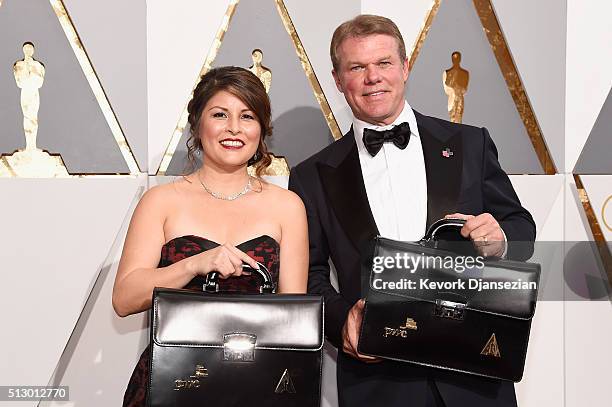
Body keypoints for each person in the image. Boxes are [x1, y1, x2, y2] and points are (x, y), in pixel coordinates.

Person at [288, 15, 535, 407]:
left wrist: (500, 239)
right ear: (338, 80)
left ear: (404, 67)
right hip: (376, 380)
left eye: (384, 63)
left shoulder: (470, 143)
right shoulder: (311, 176)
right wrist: (341, 323)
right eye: (357, 67)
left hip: (473, 375)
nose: (373, 77)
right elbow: (309, 276)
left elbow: (521, 229)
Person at [112, 66, 308, 407]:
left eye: (247, 116)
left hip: (258, 386)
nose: (234, 128)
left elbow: (294, 320)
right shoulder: (161, 201)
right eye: (220, 114)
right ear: (198, 125)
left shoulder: (287, 207)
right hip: (172, 380)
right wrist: (194, 264)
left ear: (261, 130)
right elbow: (124, 298)